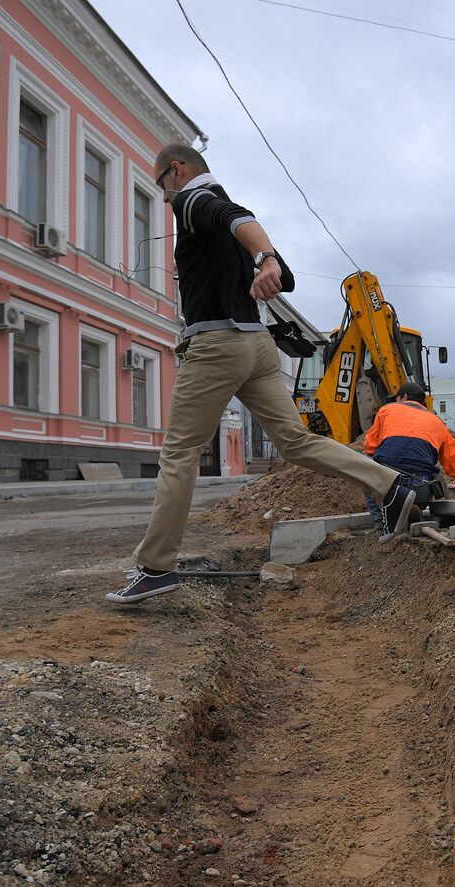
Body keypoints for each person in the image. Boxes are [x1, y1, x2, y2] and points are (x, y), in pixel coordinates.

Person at [107, 144, 419, 604]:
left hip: (215, 347)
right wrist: (269, 261)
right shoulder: (225, 213)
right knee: (297, 441)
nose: (163, 196)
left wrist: (266, 258)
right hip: (257, 346)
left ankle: (155, 567)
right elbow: (264, 253)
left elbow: (231, 217)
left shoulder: (193, 200)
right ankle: (391, 485)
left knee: (178, 455)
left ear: (177, 170)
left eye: (161, 185)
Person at [361, 382, 455, 540]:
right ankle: (415, 507)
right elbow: (454, 461)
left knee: (366, 462)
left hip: (387, 485)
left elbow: (369, 447)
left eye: (397, 399)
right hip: (419, 487)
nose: (395, 402)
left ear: (404, 397)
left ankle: (380, 520)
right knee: (435, 471)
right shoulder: (437, 423)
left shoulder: (387, 410)